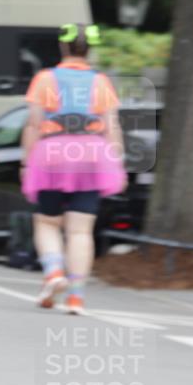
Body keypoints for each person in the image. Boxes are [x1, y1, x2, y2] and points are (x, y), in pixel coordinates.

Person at [21, 24, 126, 314]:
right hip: (92, 154)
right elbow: (112, 126)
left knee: (47, 222)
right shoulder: (101, 82)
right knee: (81, 230)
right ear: (88, 49)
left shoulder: (45, 79)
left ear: (63, 48)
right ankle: (76, 297)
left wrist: (26, 162)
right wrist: (116, 162)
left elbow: (32, 124)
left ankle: (54, 273)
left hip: (52, 152)